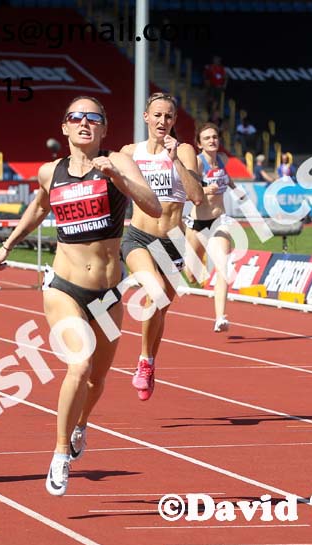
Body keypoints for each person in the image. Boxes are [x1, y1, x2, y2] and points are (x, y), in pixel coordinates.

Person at [0, 96, 161, 496]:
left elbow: (150, 205)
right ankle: (60, 453)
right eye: (76, 118)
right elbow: (37, 209)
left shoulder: (119, 162)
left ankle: (81, 425)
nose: (84, 123)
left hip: (109, 292)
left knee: (97, 381)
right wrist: (8, 246)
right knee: (79, 367)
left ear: (104, 128)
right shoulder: (51, 171)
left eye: (93, 118)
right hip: (63, 287)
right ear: (64, 128)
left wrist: (118, 178)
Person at [120, 92, 203, 401]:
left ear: (174, 121)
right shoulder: (130, 151)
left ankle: (150, 362)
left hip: (173, 242)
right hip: (139, 236)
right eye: (157, 115)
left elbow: (197, 196)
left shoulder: (184, 150)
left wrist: (176, 160)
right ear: (146, 117)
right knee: (152, 293)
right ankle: (143, 360)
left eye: (168, 116)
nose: (162, 121)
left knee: (160, 309)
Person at [184, 122, 238, 332]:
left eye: (214, 137)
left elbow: (227, 177)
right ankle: (195, 273)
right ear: (199, 143)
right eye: (207, 138)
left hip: (219, 221)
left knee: (223, 267)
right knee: (192, 276)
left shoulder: (221, 160)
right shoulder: (198, 163)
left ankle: (220, 317)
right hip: (197, 224)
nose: (212, 141)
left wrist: (235, 189)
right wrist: (206, 190)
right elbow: (190, 189)